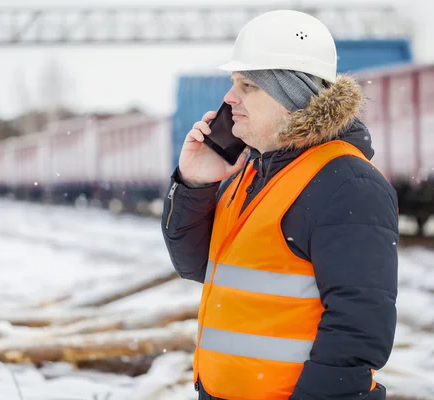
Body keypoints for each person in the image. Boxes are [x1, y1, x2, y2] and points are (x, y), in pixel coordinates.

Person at [161, 9, 398, 400]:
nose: (229, 98)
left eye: (248, 86)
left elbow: (358, 330)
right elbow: (195, 265)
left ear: (293, 95)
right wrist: (193, 184)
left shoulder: (348, 185)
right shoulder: (248, 172)